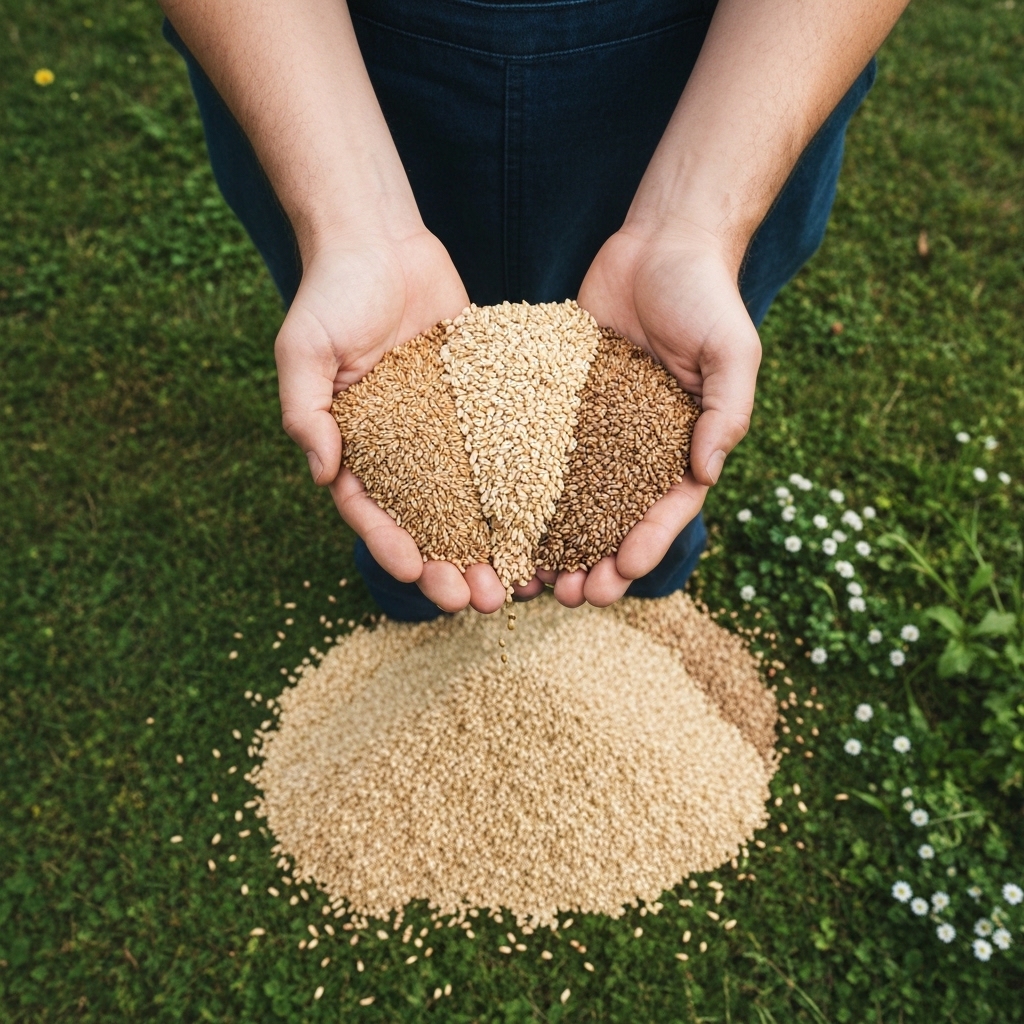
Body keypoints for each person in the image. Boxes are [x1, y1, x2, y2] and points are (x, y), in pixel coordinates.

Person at [160, 0, 908, 621]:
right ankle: (417, 602)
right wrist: (355, 226)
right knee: (387, 414)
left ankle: (643, 590)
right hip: (317, 62)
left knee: (680, 375)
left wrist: (697, 228)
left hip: (739, 66)